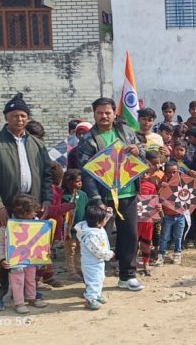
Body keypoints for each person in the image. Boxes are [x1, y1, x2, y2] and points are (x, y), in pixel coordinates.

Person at [0, 93, 57, 312]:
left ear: (28, 118)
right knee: (1, 252)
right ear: (6, 117)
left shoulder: (37, 144)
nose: (19, 119)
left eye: (23, 115)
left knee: (29, 252)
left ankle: (28, 293)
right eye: (14, 115)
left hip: (30, 210)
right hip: (3, 208)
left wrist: (47, 200)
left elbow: (47, 175)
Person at [77, 97, 145, 292]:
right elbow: (87, 172)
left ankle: (128, 276)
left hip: (128, 193)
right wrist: (96, 199)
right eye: (100, 113)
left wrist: (137, 150)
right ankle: (94, 282)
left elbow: (142, 153)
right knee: (99, 238)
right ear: (94, 115)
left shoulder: (126, 131)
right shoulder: (88, 140)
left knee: (130, 235)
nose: (104, 116)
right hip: (103, 197)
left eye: (108, 112)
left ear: (114, 113)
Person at [0, 194, 49, 315]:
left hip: (30, 258)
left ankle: (31, 298)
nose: (34, 214)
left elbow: (41, 238)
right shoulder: (8, 225)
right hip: (15, 259)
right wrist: (2, 258)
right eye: (31, 212)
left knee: (31, 278)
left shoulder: (36, 223)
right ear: (21, 213)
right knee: (17, 280)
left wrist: (43, 253)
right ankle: (19, 303)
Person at [76, 205, 113, 310]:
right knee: (93, 281)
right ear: (98, 222)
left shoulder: (96, 227)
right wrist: (109, 254)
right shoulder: (90, 235)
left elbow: (104, 218)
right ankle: (90, 299)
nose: (106, 221)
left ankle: (96, 295)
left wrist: (108, 212)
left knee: (100, 279)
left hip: (97, 262)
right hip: (91, 263)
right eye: (104, 219)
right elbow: (98, 251)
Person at [154, 162, 185, 266]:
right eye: (168, 172)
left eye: (174, 172)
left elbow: (194, 189)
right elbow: (157, 196)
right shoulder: (162, 183)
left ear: (178, 172)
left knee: (178, 236)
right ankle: (161, 255)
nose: (171, 175)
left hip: (180, 215)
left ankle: (177, 253)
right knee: (164, 237)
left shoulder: (183, 183)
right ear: (165, 173)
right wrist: (161, 187)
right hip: (167, 215)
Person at [62, 169, 88, 282]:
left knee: (79, 250)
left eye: (80, 181)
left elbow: (86, 210)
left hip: (81, 229)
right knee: (70, 251)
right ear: (69, 182)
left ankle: (79, 270)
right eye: (77, 181)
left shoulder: (83, 195)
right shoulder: (65, 197)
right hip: (70, 230)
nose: (80, 183)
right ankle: (71, 272)